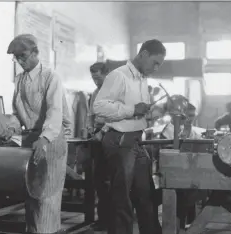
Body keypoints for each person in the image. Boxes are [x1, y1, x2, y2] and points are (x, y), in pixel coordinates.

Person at [93, 39, 165, 234]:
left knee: (146, 195)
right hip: (119, 140)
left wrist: (157, 111)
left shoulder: (142, 79)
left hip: (136, 140)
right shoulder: (119, 76)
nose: (156, 68)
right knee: (121, 199)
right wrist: (133, 109)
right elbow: (98, 107)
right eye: (155, 63)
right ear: (143, 54)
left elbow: (140, 113)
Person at [7, 34, 68, 234]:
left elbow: (54, 112)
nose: (20, 61)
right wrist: (11, 127)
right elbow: (18, 112)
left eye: (23, 55)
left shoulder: (51, 77)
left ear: (35, 53)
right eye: (17, 57)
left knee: (47, 197)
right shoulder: (20, 79)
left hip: (50, 140)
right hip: (32, 140)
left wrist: (44, 139)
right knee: (32, 195)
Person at [86, 62, 110, 230]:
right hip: (96, 136)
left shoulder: (114, 91)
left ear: (106, 74)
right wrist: (90, 128)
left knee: (108, 181)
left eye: (98, 77)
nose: (95, 81)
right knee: (98, 181)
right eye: (93, 78)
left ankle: (109, 220)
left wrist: (102, 132)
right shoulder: (95, 93)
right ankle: (101, 219)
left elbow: (115, 116)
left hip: (110, 136)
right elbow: (91, 114)